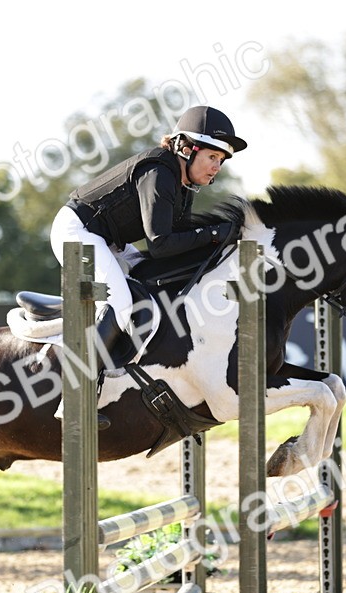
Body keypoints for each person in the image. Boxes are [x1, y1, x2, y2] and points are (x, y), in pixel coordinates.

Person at [50, 105, 248, 429]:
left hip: (109, 241)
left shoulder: (183, 186)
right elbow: (160, 244)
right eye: (212, 156)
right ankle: (74, 397)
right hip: (77, 232)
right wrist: (215, 233)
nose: (217, 167)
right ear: (186, 147)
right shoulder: (159, 170)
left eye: (221, 160)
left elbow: (173, 248)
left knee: (150, 284)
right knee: (119, 302)